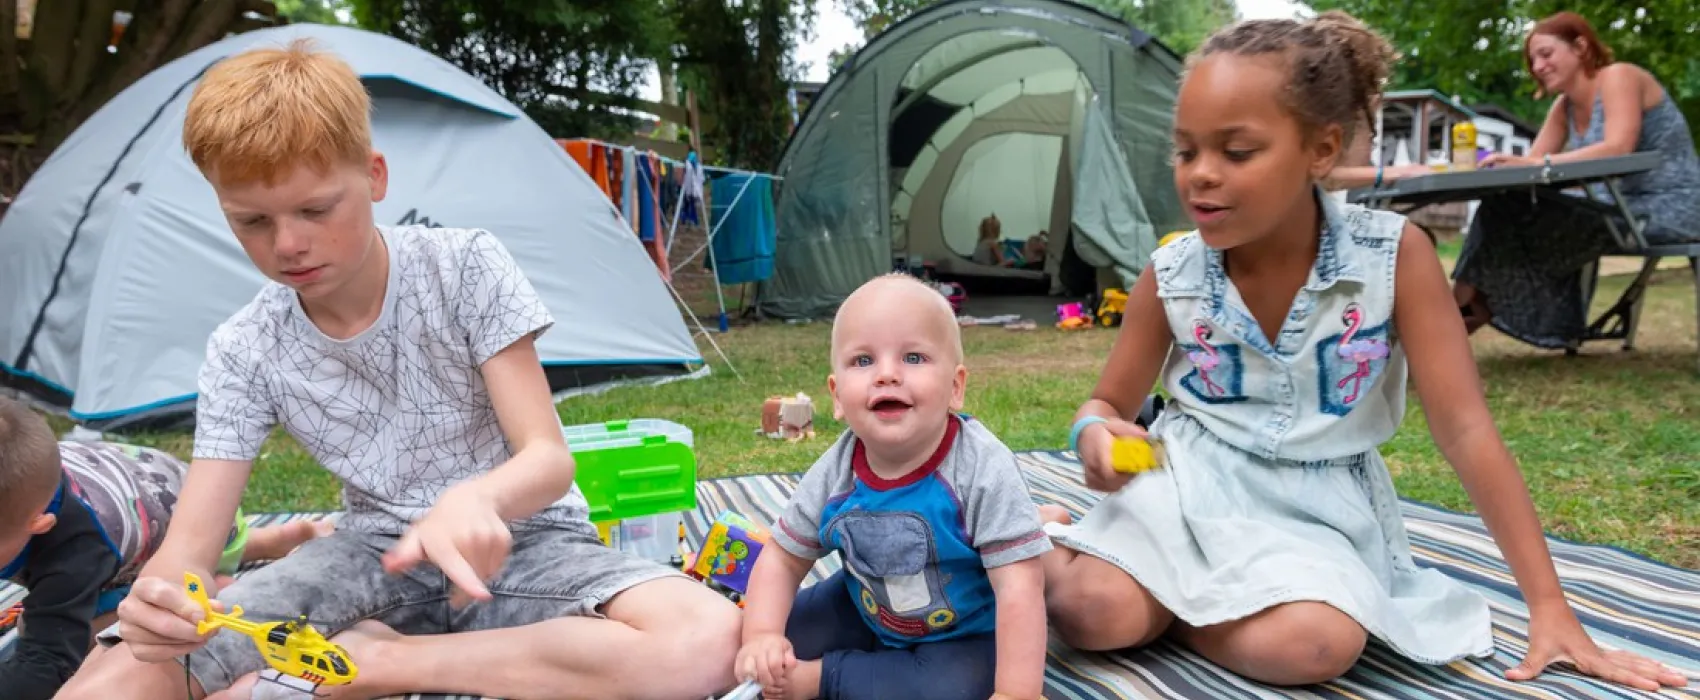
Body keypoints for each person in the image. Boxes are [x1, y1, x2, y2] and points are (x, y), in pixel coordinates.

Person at [53, 38, 741, 700]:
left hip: (525, 545)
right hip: (368, 559)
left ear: (375, 177)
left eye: (316, 209)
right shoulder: (244, 346)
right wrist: (162, 600)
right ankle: (380, 655)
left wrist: (477, 499)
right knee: (111, 679)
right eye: (252, 222)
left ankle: (382, 662)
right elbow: (190, 552)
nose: (288, 244)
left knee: (705, 639)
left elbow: (547, 460)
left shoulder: (466, 265)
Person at [1036, 11, 1689, 692]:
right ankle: (1045, 541)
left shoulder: (1393, 259)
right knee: (1091, 614)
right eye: (1185, 150)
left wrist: (1550, 609)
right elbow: (1108, 403)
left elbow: (1465, 429)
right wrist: (1093, 432)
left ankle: (1160, 598)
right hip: (1186, 484)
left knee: (1314, 648)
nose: (1200, 175)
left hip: (1312, 511)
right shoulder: (1171, 274)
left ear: (1321, 151)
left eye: (1236, 152)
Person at [734, 273, 1051, 700]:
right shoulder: (837, 471)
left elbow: (1020, 587)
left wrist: (1018, 693)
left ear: (955, 388)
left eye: (914, 358)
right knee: (759, 640)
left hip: (965, 633)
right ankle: (821, 664)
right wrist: (761, 634)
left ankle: (820, 680)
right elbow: (783, 559)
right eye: (863, 361)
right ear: (837, 397)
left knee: (950, 690)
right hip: (863, 605)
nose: (886, 374)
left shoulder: (982, 470)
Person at [0, 398, 328, 700]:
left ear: (39, 524)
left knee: (77, 629)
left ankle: (222, 573)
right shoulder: (22, 478)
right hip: (138, 485)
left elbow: (45, 663)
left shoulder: (76, 551)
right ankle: (260, 543)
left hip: (196, 519)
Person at [1452, 11, 1700, 343]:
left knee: (1515, 216)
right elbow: (1532, 166)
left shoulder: (1618, 77)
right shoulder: (1563, 107)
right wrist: (1508, 165)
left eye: (1546, 54)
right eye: (1532, 60)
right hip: (1617, 211)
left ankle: (1462, 313)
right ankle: (1467, 307)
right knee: (1503, 205)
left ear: (1580, 47)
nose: (1538, 67)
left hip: (1671, 208)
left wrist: (1534, 164)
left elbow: (1618, 148)